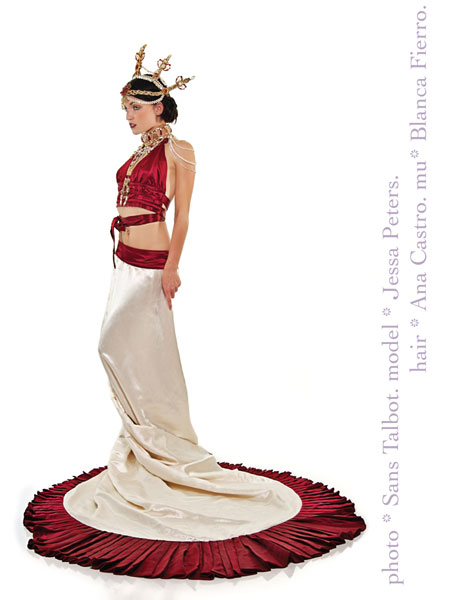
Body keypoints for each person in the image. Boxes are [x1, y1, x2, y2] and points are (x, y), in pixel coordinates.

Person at [23, 44, 366, 580]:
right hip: (124, 259)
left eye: (135, 108)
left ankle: (161, 445)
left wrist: (172, 267)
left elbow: (183, 215)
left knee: (117, 346)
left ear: (158, 105)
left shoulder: (180, 150)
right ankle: (145, 445)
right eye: (124, 109)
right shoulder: (136, 152)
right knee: (125, 350)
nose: (128, 116)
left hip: (153, 261)